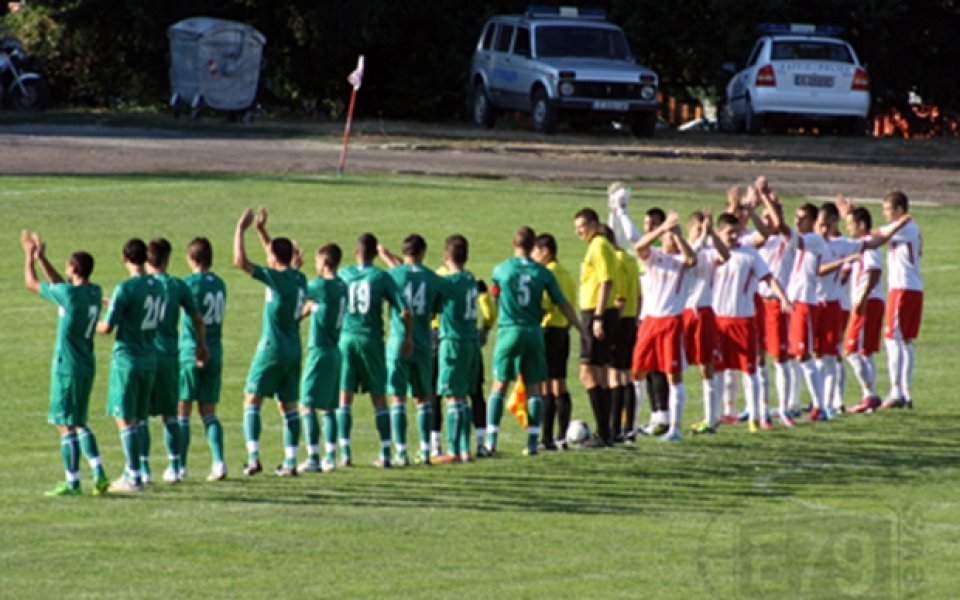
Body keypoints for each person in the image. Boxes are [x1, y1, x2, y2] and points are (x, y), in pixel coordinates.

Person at [20, 231, 110, 496]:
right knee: (80, 421)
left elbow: (31, 283)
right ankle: (99, 472)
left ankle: (72, 482)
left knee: (64, 424)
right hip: (86, 365)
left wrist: (29, 256)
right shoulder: (95, 292)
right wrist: (43, 258)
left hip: (66, 367)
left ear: (73, 269)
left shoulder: (69, 296)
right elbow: (61, 284)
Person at [485, 226, 583, 456]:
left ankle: (490, 442)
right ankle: (531, 443)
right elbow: (562, 303)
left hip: (509, 331)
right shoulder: (543, 273)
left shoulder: (501, 269)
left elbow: (495, 295)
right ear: (532, 246)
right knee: (534, 389)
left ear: (513, 243)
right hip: (533, 332)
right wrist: (579, 327)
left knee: (499, 385)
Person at [233, 207, 307, 477]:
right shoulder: (299, 278)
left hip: (272, 348)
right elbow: (275, 257)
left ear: (275, 258)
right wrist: (262, 231)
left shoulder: (276, 279)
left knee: (252, 400)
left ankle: (253, 458)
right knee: (288, 406)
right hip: (293, 349)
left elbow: (241, 263)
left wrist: (240, 230)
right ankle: (290, 462)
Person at [712, 213, 793, 432]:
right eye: (729, 232)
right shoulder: (711, 254)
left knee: (750, 370)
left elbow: (768, 278)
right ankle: (716, 415)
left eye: (736, 231)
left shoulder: (750, 255)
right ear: (719, 232)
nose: (733, 236)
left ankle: (755, 416)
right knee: (718, 371)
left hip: (743, 320)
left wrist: (783, 298)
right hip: (718, 320)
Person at [338, 233, 411, 468]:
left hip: (346, 339)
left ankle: (344, 453)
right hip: (371, 340)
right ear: (374, 254)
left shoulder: (344, 274)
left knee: (344, 396)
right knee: (379, 397)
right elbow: (405, 310)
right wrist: (407, 336)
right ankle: (386, 453)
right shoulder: (381, 277)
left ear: (355, 252)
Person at [97, 238, 163, 493]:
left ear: (125, 259)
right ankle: (135, 470)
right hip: (150, 357)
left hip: (128, 360)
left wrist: (86, 321)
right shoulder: (157, 287)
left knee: (124, 418)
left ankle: (133, 476)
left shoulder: (125, 288)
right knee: (137, 419)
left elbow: (107, 327)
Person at [143, 239, 207, 484]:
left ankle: (143, 470)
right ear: (168, 259)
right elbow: (197, 318)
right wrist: (201, 345)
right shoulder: (177, 286)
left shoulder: (140, 286)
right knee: (171, 414)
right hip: (172, 354)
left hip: (147, 353)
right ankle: (175, 466)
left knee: (140, 416)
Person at [630, 211, 698, 441]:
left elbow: (692, 260)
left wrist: (678, 237)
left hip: (671, 322)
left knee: (672, 375)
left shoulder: (682, 260)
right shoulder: (654, 255)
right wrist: (662, 229)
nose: (669, 238)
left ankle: (675, 429)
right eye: (667, 235)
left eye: (672, 235)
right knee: (637, 372)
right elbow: (639, 247)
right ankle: (630, 424)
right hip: (650, 320)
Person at [378, 235, 443, 466]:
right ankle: (425, 451)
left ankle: (401, 452)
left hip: (398, 343)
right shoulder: (432, 278)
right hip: (423, 342)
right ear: (423, 252)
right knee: (423, 398)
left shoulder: (392, 276)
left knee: (397, 398)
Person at [176, 237, 228, 481]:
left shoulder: (188, 284)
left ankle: (180, 467)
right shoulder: (220, 284)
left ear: (192, 259)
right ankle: (219, 462)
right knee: (209, 413)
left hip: (191, 351)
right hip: (215, 351)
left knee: (183, 412)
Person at [298, 243, 347, 473]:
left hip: (319, 351)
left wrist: (294, 268)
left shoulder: (321, 286)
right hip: (335, 351)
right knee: (328, 408)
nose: (315, 266)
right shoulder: (341, 286)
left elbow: (296, 290)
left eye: (317, 261)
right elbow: (313, 306)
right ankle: (330, 456)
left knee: (306, 405)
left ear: (325, 263)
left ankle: (313, 457)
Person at [573, 207, 620, 446]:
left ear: (593, 223)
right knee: (599, 374)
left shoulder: (599, 245)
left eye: (582, 226)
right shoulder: (599, 244)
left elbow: (606, 281)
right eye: (576, 228)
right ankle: (607, 432)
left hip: (595, 313)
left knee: (588, 373)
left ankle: (604, 432)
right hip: (597, 312)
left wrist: (599, 317)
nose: (578, 231)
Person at [433, 234, 481, 463]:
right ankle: (465, 450)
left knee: (451, 397)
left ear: (446, 255)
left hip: (453, 342)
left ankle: (452, 451)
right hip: (471, 341)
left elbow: (426, 283)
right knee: (462, 397)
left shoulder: (450, 283)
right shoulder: (470, 279)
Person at [682, 209, 730, 434]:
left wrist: (712, 234)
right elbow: (689, 258)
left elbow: (725, 255)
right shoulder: (682, 249)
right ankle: (670, 418)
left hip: (702, 312)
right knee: (674, 364)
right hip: (681, 312)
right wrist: (703, 236)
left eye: (704, 228)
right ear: (689, 229)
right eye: (698, 228)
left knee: (705, 364)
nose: (702, 233)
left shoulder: (710, 251)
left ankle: (711, 417)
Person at [531, 233, 577, 450]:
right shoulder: (566, 272)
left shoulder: (547, 273)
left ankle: (546, 437)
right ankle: (562, 436)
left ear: (546, 251)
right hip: (563, 331)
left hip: (548, 330)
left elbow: (546, 304)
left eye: (535, 251)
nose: (532, 256)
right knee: (560, 383)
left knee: (546, 386)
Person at [877, 191, 923, 410]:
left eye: (887, 209)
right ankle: (905, 390)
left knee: (891, 338)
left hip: (902, 287)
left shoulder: (904, 226)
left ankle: (896, 391)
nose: (884, 213)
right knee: (905, 340)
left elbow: (875, 237)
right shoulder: (912, 228)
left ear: (899, 210)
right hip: (913, 287)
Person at [841, 208, 886, 413]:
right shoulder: (860, 245)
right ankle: (870, 396)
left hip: (868, 303)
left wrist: (863, 297)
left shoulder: (869, 246)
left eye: (850, 224)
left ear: (860, 225)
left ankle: (869, 394)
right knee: (865, 351)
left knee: (850, 351)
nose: (847, 228)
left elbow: (875, 271)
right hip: (872, 301)